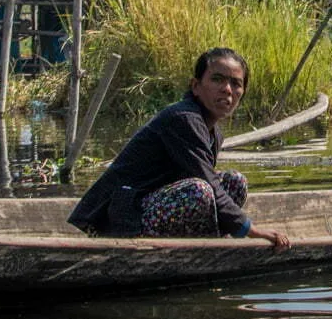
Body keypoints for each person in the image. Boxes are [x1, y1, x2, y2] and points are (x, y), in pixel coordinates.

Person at [69, 48, 290, 247]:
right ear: (196, 86)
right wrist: (250, 229)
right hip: (121, 218)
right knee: (199, 191)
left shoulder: (213, 132)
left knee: (235, 182)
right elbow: (207, 183)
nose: (227, 89)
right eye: (217, 80)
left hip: (153, 204)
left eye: (236, 84)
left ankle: (208, 241)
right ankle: (208, 244)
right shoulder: (183, 118)